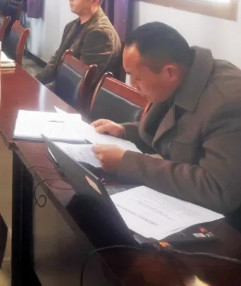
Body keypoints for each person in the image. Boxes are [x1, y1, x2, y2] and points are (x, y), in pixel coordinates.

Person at [91, 22, 241, 217]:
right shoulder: (185, 75)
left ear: (170, 72)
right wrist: (124, 131)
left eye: (137, 78)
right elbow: (174, 130)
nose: (133, 85)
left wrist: (128, 163)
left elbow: (217, 189)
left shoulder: (227, 103)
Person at [35, 0, 121, 84]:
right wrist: (34, 82)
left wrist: (43, 92)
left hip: (79, 93)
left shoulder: (100, 33)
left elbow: (80, 82)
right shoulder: (72, 25)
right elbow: (55, 62)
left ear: (94, 1)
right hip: (64, 86)